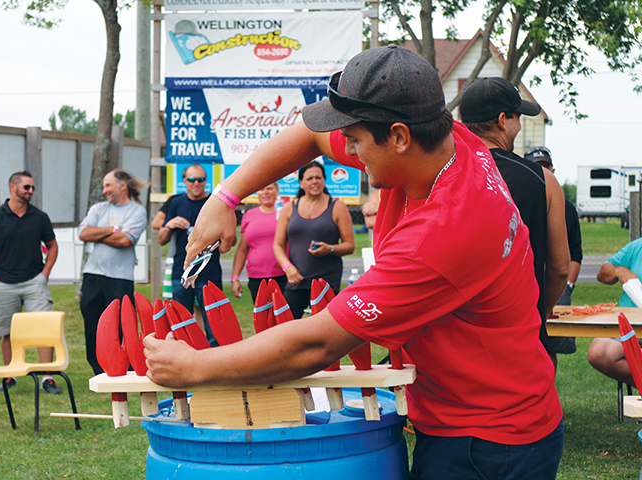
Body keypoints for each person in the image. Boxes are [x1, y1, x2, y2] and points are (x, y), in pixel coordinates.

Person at [145, 45, 563, 479]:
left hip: (492, 442)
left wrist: (194, 367)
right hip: (474, 418)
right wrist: (224, 198)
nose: (346, 150)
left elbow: (316, 343)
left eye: (357, 140)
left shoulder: (440, 236)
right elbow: (310, 132)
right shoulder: (442, 140)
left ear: (399, 137)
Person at [461, 77, 570, 368]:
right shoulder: (543, 179)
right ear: (502, 120)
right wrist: (540, 309)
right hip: (522, 331)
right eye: (518, 117)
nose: (519, 125)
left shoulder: (442, 174)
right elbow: (560, 268)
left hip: (458, 333)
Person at [0, 171, 61, 394]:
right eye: (26, 187)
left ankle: (47, 378)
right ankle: (9, 376)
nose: (31, 191)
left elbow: (52, 246)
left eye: (32, 187)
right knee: (7, 331)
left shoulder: (39, 217)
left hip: (34, 281)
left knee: (44, 329)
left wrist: (44, 274)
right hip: (3, 283)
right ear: (12, 188)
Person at [78, 169, 147, 375]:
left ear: (122, 186)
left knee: (120, 324)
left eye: (108, 185)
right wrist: (113, 229)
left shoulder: (137, 211)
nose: (104, 190)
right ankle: (98, 368)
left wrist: (97, 234)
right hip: (93, 275)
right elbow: (83, 233)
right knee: (92, 322)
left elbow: (125, 241)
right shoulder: (98, 208)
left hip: (120, 277)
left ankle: (123, 366)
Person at [273, 162, 355, 318]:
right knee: (286, 326)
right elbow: (278, 245)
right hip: (296, 279)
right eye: (309, 178)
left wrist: (330, 249)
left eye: (318, 177)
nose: (315, 181)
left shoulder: (337, 207)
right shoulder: (289, 208)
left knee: (324, 331)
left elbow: (349, 245)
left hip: (327, 281)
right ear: (301, 183)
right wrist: (288, 267)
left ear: (324, 180)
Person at [159, 165, 221, 346]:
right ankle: (182, 360)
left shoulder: (214, 202)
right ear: (184, 181)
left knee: (214, 323)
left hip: (209, 272)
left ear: (206, 181)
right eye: (192, 180)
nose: (196, 184)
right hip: (182, 271)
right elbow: (161, 240)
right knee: (181, 323)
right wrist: (169, 225)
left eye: (201, 180)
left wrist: (215, 232)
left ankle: (215, 364)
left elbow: (229, 243)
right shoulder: (177, 203)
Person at [526, 146, 583, 306]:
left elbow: (575, 252)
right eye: (538, 167)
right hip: (525, 285)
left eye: (546, 167)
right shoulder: (517, 201)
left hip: (557, 285)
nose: (543, 172)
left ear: (553, 170)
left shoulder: (567, 208)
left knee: (559, 329)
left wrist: (568, 285)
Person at [587, 239, 642, 385]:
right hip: (630, 326)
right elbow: (603, 273)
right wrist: (619, 270)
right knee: (599, 353)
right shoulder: (636, 247)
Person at [231, 183, 287, 303]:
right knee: (263, 319)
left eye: (269, 188)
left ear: (277, 190)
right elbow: (242, 249)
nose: (265, 192)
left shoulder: (286, 211)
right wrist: (235, 278)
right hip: (257, 279)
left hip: (285, 276)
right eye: (261, 189)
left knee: (285, 319)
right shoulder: (249, 215)